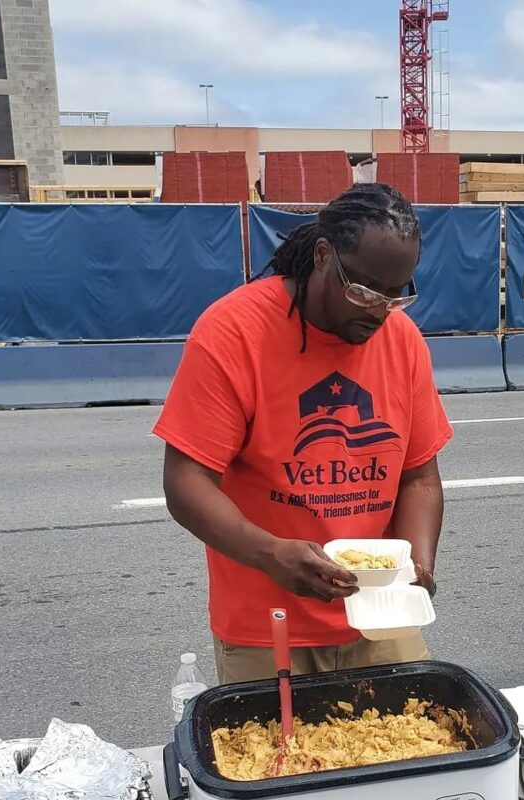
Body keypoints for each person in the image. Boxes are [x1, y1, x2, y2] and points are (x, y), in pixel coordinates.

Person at [154, 183, 452, 684]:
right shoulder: (234, 331)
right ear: (322, 256)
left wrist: (417, 562)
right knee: (276, 759)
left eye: (396, 296)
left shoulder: (402, 341)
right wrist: (271, 554)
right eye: (362, 290)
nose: (378, 311)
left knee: (405, 751)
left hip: (380, 614)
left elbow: (419, 478)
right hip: (265, 625)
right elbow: (186, 483)